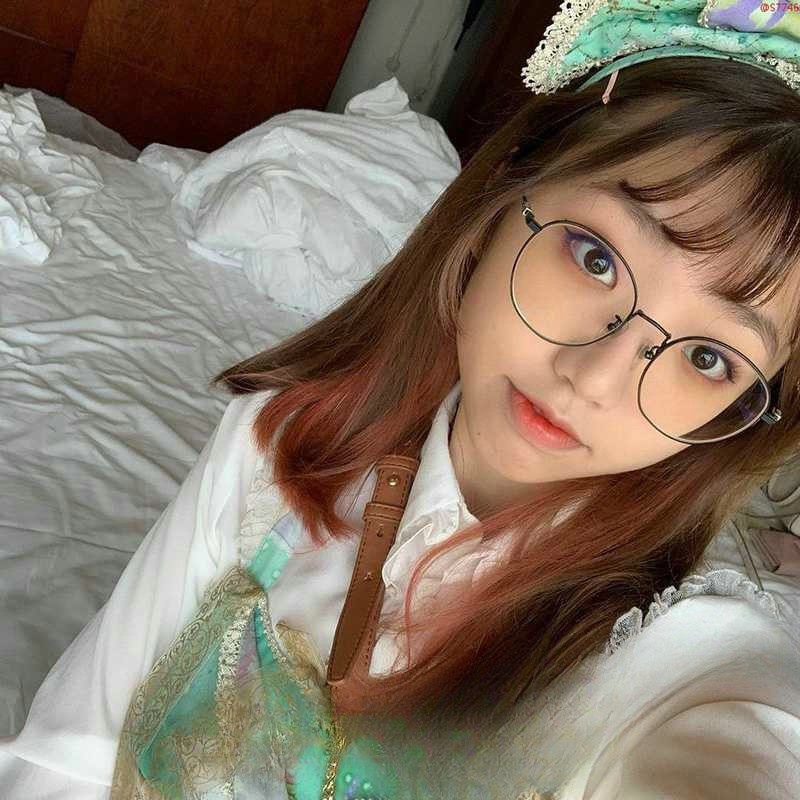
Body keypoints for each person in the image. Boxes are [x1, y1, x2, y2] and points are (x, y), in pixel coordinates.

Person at [3, 0, 800, 796]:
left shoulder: (675, 648)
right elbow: (68, 754)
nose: (593, 380)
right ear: (503, 197)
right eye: (596, 259)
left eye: (708, 358)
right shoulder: (280, 439)